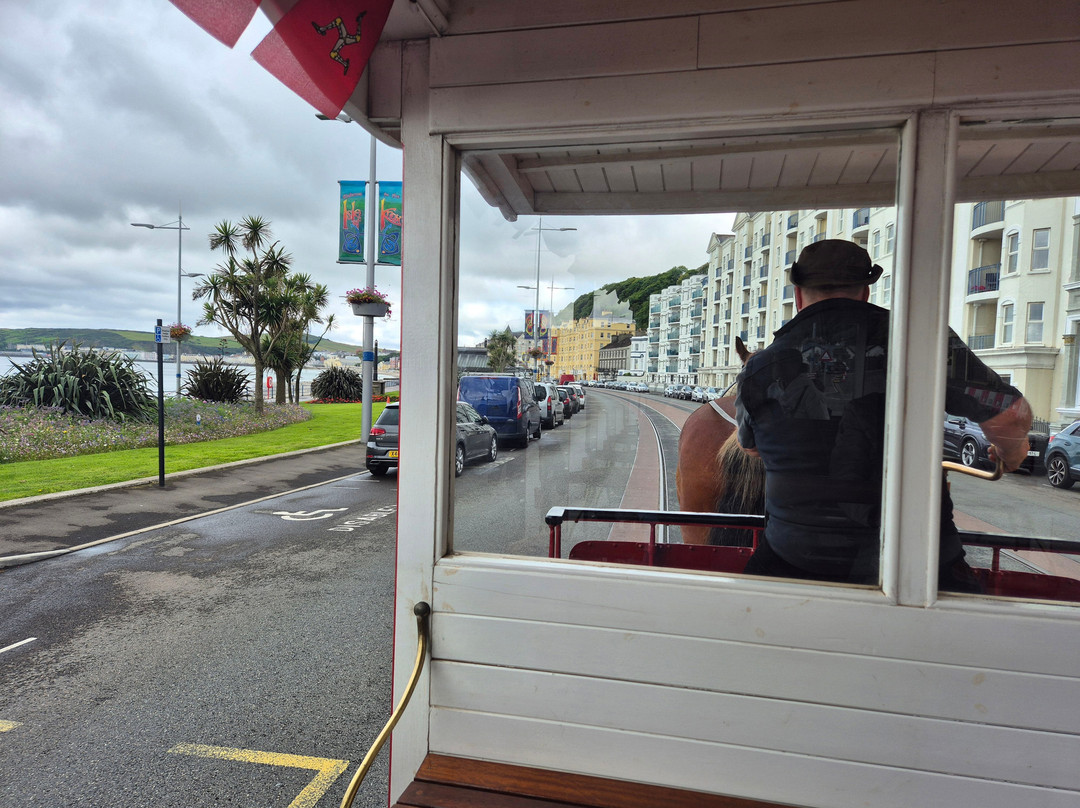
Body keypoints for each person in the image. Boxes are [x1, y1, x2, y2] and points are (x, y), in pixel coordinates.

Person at [735, 239, 1032, 591]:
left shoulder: (761, 366)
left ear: (798, 295)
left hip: (794, 556)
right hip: (915, 561)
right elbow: (1012, 417)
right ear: (864, 292)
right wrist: (1010, 456)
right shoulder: (922, 342)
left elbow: (752, 448)